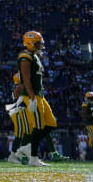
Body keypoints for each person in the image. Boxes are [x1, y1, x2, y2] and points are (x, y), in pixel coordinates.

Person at [15, 30, 59, 166]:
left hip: (39, 94)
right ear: (30, 43)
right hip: (32, 95)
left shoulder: (34, 56)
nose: (40, 46)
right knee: (39, 126)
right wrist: (32, 98)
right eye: (38, 43)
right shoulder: (25, 56)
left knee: (51, 123)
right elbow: (26, 79)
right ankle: (33, 158)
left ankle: (25, 148)